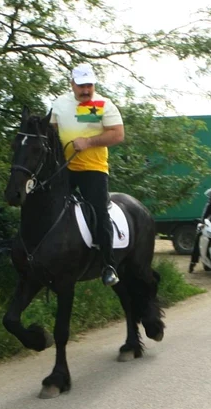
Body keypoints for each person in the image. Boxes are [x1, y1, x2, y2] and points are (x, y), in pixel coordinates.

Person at [49, 63, 125, 287]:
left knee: (99, 212)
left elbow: (118, 134)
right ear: (72, 84)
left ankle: (108, 265)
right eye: (81, 86)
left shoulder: (103, 104)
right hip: (64, 169)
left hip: (93, 169)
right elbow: (51, 131)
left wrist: (89, 141)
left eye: (89, 85)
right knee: (50, 208)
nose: (85, 90)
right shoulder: (60, 104)